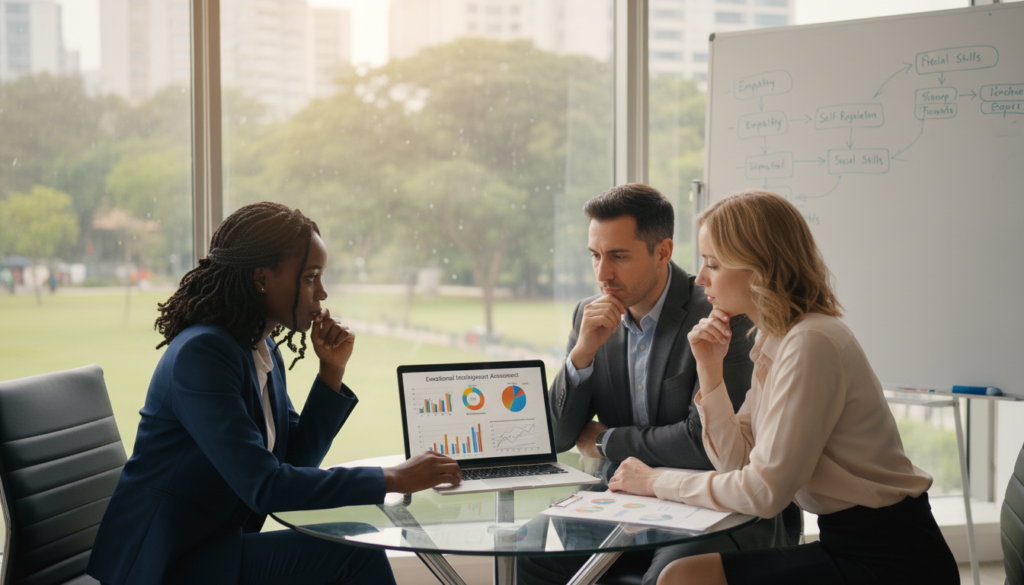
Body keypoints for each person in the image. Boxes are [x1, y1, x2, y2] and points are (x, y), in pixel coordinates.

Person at [88, 202, 463, 585]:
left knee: (349, 547)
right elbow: (266, 487)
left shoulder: (261, 350)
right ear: (262, 279)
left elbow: (295, 461)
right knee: (352, 553)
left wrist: (331, 371)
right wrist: (391, 478)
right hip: (164, 565)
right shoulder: (202, 355)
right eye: (310, 277)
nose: (322, 292)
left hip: (212, 549)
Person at [608, 190, 958, 585]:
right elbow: (737, 463)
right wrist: (710, 370)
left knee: (683, 578)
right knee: (683, 574)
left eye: (713, 264)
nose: (701, 277)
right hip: (851, 543)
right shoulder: (776, 339)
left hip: (893, 559)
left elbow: (764, 492)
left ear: (758, 267)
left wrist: (656, 481)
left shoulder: (811, 343)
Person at [518, 184, 793, 585]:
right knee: (531, 554)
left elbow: (707, 445)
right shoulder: (588, 316)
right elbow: (558, 436)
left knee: (668, 574)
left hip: (711, 498)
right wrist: (582, 353)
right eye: (595, 256)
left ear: (662, 251)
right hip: (624, 499)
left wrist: (608, 440)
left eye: (618, 256)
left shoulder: (722, 309)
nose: (602, 274)